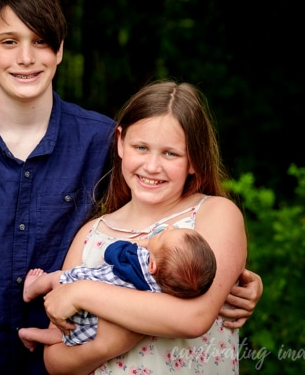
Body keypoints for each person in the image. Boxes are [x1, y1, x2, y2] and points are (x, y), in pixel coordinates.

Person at [0, 0, 263, 373]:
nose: (26, 57)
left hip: (70, 355)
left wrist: (229, 279)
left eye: (41, 41)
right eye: (10, 41)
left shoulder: (101, 140)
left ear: (60, 49)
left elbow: (154, 214)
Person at [42, 80, 257, 374]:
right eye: (141, 147)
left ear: (194, 159)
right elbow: (54, 361)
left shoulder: (213, 214)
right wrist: (105, 347)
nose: (152, 166)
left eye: (170, 153)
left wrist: (81, 293)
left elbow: (193, 318)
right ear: (120, 142)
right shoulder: (92, 235)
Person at [19, 224, 217, 351]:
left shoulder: (139, 258)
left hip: (77, 293)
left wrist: (140, 243)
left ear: (153, 266)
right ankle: (31, 334)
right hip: (94, 326)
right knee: (64, 336)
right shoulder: (165, 293)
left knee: (55, 279)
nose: (169, 227)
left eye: (164, 236)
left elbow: (111, 252)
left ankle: (31, 290)